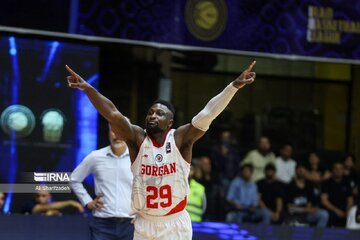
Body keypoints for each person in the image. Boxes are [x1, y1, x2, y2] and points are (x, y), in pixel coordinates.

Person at [66, 61, 256, 240]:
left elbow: (208, 113)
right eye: (150, 112)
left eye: (159, 113)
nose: (153, 116)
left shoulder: (181, 139)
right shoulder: (137, 139)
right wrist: (87, 89)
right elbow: (113, 114)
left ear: (170, 122)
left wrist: (233, 87)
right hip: (144, 223)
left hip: (174, 222)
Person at [70, 126, 134, 240]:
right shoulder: (96, 156)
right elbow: (74, 179)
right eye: (113, 130)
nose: (116, 135)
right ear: (109, 133)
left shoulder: (137, 157)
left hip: (131, 224)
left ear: (128, 133)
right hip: (102, 224)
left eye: (121, 130)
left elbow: (148, 184)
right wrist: (88, 201)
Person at [285, 163, 328, 227]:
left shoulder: (309, 185)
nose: (301, 170)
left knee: (323, 214)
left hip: (307, 215)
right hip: (293, 215)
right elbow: (289, 207)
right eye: (299, 168)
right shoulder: (290, 186)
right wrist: (305, 209)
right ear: (295, 171)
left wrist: (311, 208)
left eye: (303, 168)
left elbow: (311, 203)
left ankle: (318, 236)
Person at [321, 162, 354, 227]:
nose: (338, 171)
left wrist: (348, 210)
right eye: (336, 168)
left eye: (340, 169)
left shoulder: (347, 181)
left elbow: (350, 199)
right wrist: (337, 211)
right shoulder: (327, 182)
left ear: (343, 170)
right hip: (331, 209)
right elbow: (324, 200)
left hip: (344, 209)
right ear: (332, 170)